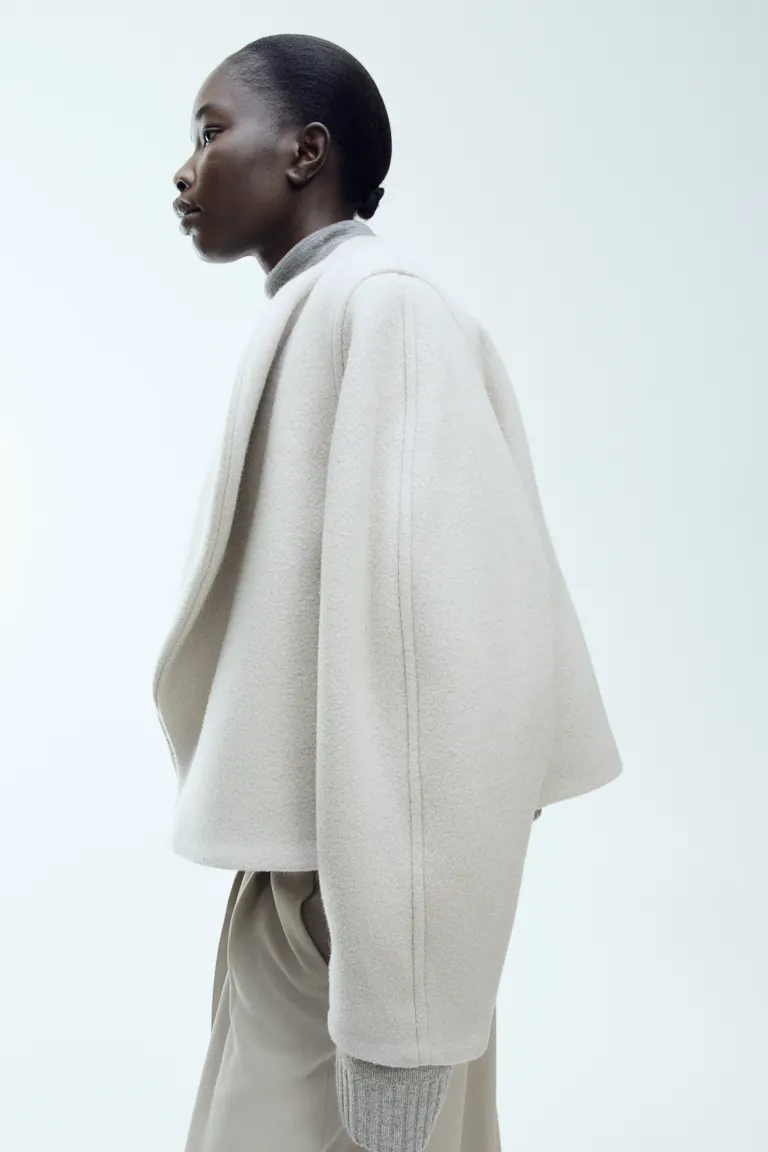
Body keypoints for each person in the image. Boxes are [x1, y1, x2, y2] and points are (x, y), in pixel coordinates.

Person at [155, 31, 622, 1152]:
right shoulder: (328, 310)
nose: (184, 169)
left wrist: (398, 1021)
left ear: (306, 151)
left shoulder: (387, 315)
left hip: (359, 907)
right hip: (323, 895)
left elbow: (434, 664)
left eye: (212, 132)